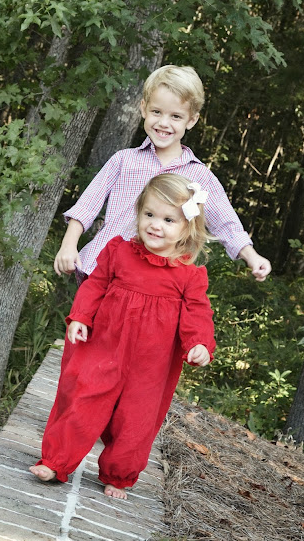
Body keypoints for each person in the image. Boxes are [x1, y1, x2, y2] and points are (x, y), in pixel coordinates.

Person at [30, 174, 216, 499]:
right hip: (104, 345)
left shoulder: (189, 275)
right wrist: (81, 316)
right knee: (82, 398)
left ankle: (118, 474)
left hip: (151, 362)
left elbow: (197, 312)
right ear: (139, 213)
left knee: (136, 418)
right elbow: (95, 285)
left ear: (187, 228)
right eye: (149, 214)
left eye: (168, 220)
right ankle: (56, 461)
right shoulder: (118, 251)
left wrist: (198, 343)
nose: (155, 225)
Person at [54, 64, 271, 284]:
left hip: (153, 283)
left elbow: (226, 223)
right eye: (156, 112)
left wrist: (251, 256)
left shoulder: (199, 176)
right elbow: (87, 205)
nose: (164, 123)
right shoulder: (124, 160)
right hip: (104, 271)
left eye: (176, 116)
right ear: (143, 109)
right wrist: (69, 245)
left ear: (192, 120)